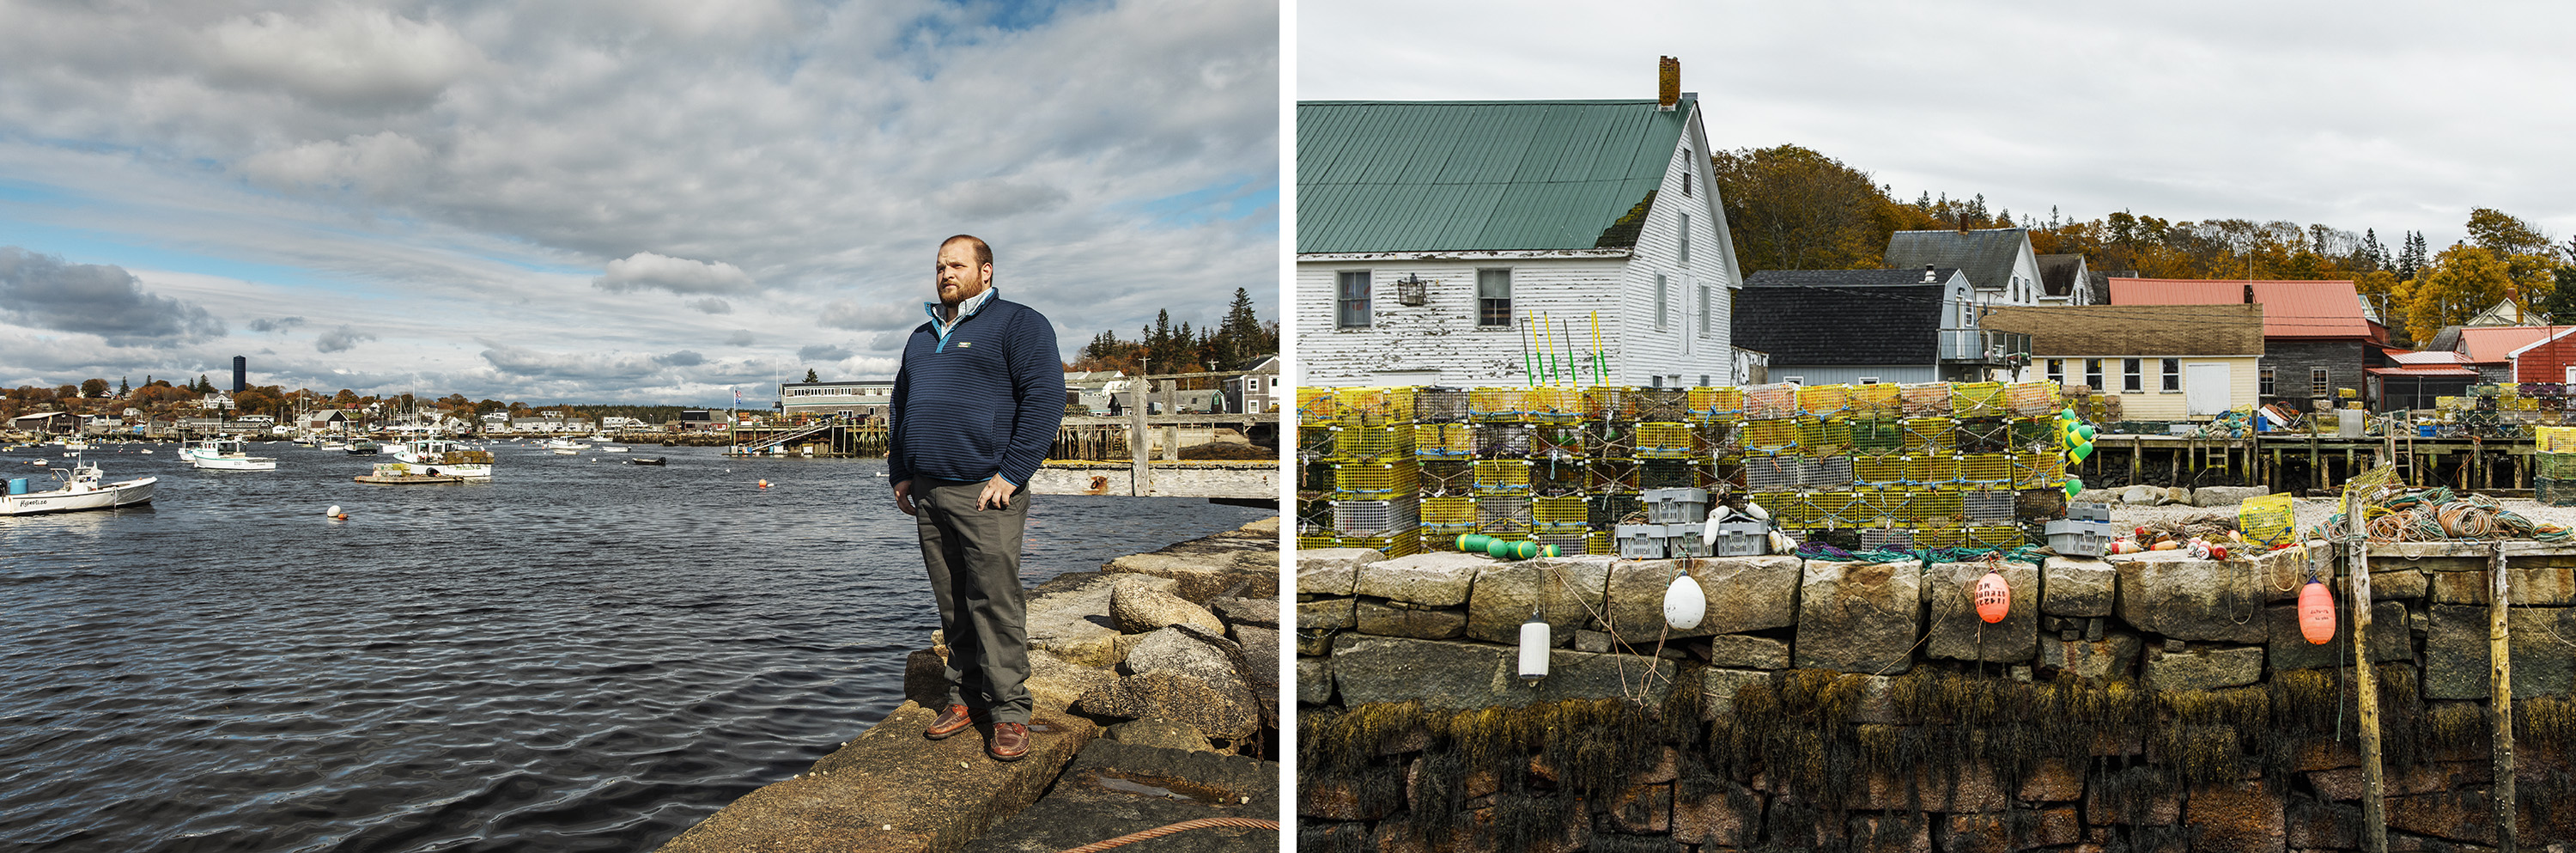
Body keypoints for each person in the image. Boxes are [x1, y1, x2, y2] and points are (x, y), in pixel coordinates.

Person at [888, 234, 1065, 762]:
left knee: (995, 600)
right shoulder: (921, 336)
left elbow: (1046, 398)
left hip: (986, 493)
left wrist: (1011, 474)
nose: (946, 274)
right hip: (927, 492)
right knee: (952, 602)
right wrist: (901, 472)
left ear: (985, 272)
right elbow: (901, 405)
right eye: (940, 266)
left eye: (957, 265)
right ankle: (964, 697)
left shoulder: (1019, 324)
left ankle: (1010, 710)